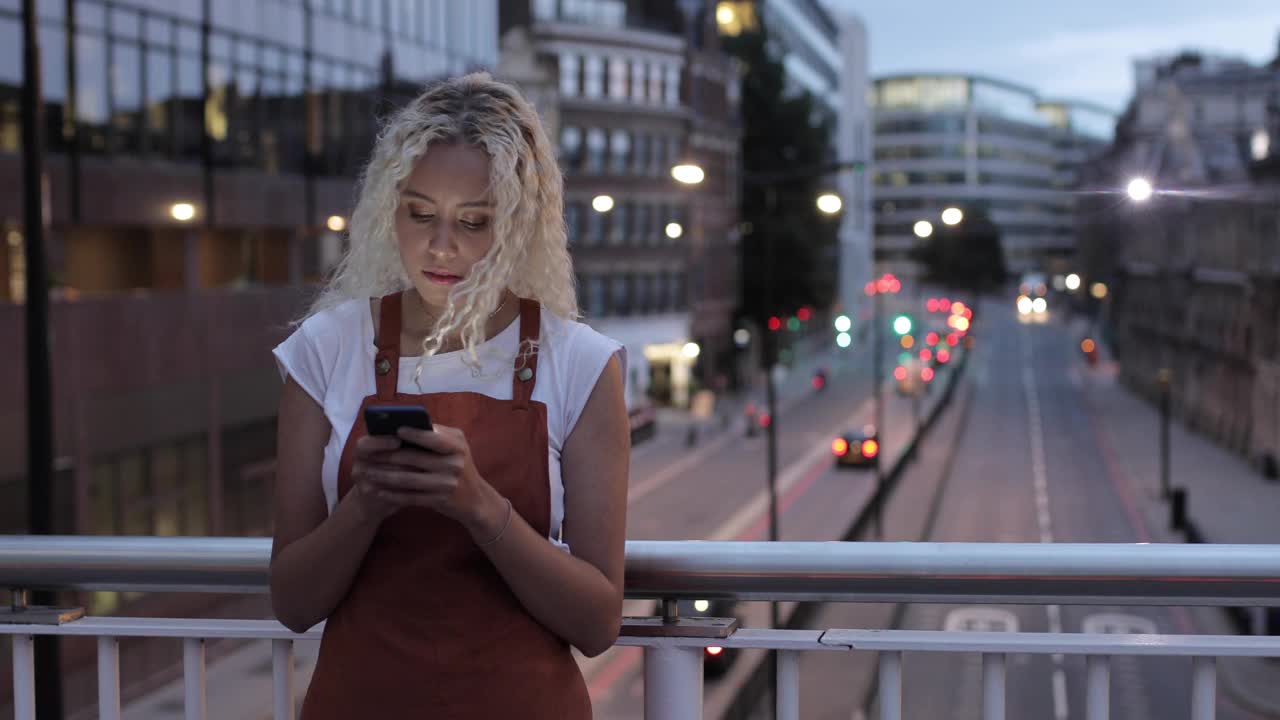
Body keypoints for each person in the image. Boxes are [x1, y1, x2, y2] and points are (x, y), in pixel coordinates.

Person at [269, 73, 629, 718]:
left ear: (519, 225)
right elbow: (293, 604)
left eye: (473, 222)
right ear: (389, 208)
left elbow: (598, 621)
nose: (441, 246)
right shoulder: (325, 350)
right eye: (420, 213)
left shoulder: (578, 362)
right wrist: (366, 505)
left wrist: (480, 507)